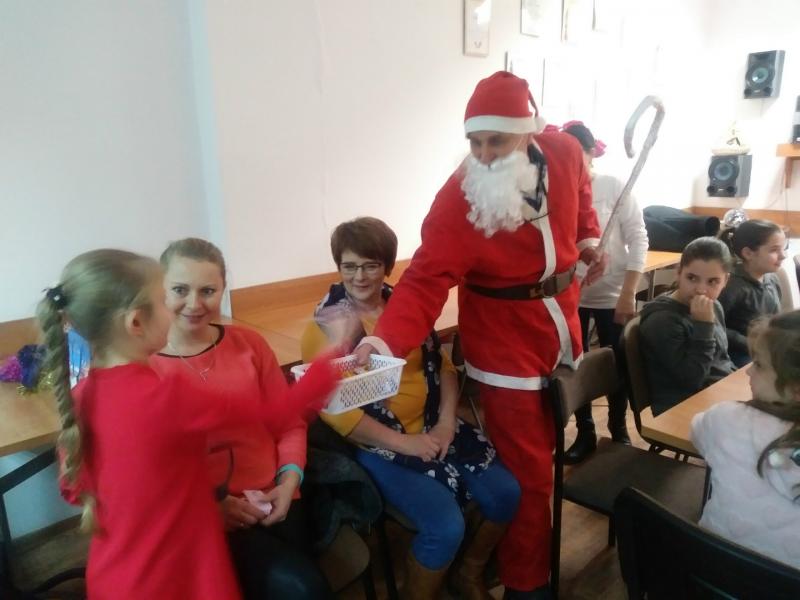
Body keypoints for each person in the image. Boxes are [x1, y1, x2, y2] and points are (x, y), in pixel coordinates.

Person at [354, 71, 605, 599]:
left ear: (528, 132)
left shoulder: (564, 151)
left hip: (561, 324)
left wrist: (587, 239)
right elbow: (423, 280)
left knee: (543, 454)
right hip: (502, 343)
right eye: (475, 142)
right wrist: (381, 343)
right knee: (531, 472)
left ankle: (492, 562)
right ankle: (527, 584)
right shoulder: (458, 199)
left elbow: (583, 192)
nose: (484, 155)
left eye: (497, 141)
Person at [39, 249, 335, 599]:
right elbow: (274, 413)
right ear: (136, 323)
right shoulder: (167, 395)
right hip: (181, 574)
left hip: (115, 577)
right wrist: (329, 362)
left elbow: (72, 488)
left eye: (207, 290)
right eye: (166, 298)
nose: (184, 307)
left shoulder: (81, 396)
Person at [301, 217, 521, 600]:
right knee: (445, 527)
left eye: (370, 265)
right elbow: (339, 415)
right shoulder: (323, 328)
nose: (359, 276)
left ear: (388, 266)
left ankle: (468, 574)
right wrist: (409, 444)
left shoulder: (406, 307)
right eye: (349, 266)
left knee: (507, 493)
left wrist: (446, 423)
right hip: (379, 445)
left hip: (435, 425)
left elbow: (444, 366)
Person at [150, 238, 333, 599]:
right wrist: (209, 508)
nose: (194, 304)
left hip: (276, 496)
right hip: (203, 515)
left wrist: (289, 481)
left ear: (223, 290)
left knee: (303, 582)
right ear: (160, 290)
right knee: (302, 587)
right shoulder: (144, 366)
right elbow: (151, 470)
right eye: (180, 290)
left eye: (207, 291)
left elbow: (289, 423)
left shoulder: (250, 345)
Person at [561, 121, 648, 463]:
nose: (570, 164)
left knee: (618, 364)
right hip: (571, 297)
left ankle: (618, 427)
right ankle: (585, 432)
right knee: (576, 368)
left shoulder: (613, 186)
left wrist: (629, 292)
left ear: (590, 153)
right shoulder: (556, 190)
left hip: (613, 295)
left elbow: (638, 238)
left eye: (577, 156)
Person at [691, 310, 800, 569]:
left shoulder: (725, 419)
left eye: (759, 365)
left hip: (708, 572)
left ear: (796, 389)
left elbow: (696, 432)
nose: (749, 372)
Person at [639, 237, 736, 416]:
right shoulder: (662, 320)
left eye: (713, 281)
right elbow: (692, 380)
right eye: (692, 278)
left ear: (725, 281)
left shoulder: (713, 305)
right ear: (678, 273)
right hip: (681, 405)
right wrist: (704, 326)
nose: (701, 289)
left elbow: (722, 360)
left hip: (718, 393)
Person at [718, 219, 785, 367]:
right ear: (748, 253)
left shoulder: (772, 278)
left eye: (783, 248)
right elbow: (716, 325)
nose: (783, 255)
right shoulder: (731, 285)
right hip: (738, 354)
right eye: (774, 250)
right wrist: (748, 342)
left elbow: (775, 319)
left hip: (763, 347)